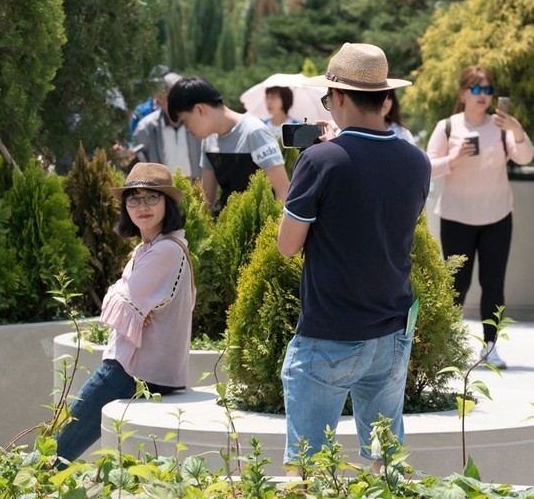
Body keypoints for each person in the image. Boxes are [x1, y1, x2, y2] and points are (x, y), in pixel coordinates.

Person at [276, 43, 431, 471]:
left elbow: (287, 245)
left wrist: (317, 157)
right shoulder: (418, 162)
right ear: (385, 99)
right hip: (392, 333)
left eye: (328, 97)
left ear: (338, 97)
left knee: (310, 469)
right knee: (386, 465)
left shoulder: (320, 159)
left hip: (330, 333)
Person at [54, 163, 195, 466]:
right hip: (129, 368)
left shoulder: (166, 251)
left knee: (55, 452)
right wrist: (124, 295)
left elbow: (118, 303)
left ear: (167, 203)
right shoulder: (146, 249)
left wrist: (121, 293)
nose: (141, 206)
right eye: (134, 198)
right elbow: (123, 302)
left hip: (133, 372)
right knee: (62, 448)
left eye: (151, 198)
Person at [426, 66, 533, 369]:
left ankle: (491, 346)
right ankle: (445, 345)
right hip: (456, 217)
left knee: (493, 283)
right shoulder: (447, 126)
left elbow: (525, 157)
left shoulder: (501, 128)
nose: (483, 95)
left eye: (487, 90)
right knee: (456, 284)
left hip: (497, 217)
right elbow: (428, 167)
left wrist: (517, 129)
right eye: (476, 89)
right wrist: (455, 158)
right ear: (462, 93)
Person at [167, 76, 289, 212]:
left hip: (261, 225)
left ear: (199, 110)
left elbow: (283, 192)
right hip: (225, 225)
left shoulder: (254, 132)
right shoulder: (209, 140)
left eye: (184, 121)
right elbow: (207, 199)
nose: (187, 129)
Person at [132, 71, 202, 179]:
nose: (182, 98)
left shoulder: (198, 123)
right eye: (176, 94)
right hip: (162, 189)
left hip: (196, 186)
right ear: (160, 97)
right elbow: (134, 159)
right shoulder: (146, 127)